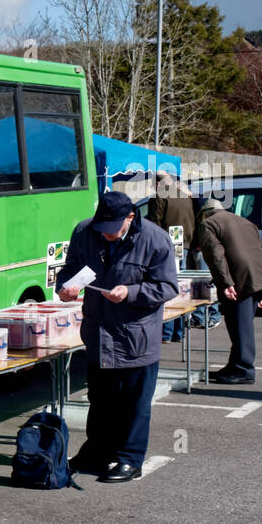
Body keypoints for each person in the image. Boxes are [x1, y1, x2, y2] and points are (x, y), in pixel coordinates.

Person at [56, 191, 179, 483]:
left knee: (135, 403)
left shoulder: (155, 239)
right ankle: (97, 452)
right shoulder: (85, 232)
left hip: (136, 335)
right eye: (103, 229)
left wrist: (131, 292)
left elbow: (167, 287)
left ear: (130, 218)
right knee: (100, 400)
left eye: (113, 230)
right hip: (98, 331)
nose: (107, 235)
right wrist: (66, 287)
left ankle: (129, 459)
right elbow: (70, 268)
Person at [194, 198, 262, 385]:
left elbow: (215, 254)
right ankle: (234, 365)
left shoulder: (208, 223)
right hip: (256, 277)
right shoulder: (246, 222)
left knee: (240, 327)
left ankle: (244, 369)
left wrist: (225, 282)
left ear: (205, 213)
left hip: (237, 279)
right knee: (239, 324)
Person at [148, 171, 197, 343]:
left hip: (167, 246)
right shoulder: (185, 197)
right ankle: (179, 332)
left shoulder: (159, 197)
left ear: (158, 183)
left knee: (167, 286)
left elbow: (154, 224)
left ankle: (167, 333)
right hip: (185, 245)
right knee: (181, 288)